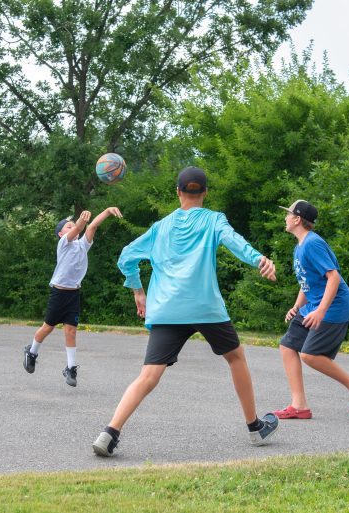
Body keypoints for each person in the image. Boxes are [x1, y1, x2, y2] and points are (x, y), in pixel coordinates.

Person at [92, 166, 279, 457]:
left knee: (148, 376)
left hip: (167, 309)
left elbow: (127, 256)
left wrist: (138, 291)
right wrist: (259, 260)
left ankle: (109, 433)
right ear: (205, 192)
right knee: (235, 357)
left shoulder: (160, 228)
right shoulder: (214, 220)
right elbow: (234, 241)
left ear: (177, 192)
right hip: (205, 307)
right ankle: (255, 428)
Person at [273, 200, 349, 420]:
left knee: (310, 355)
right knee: (287, 347)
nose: (285, 218)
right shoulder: (300, 246)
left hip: (334, 305)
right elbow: (307, 282)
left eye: (288, 214)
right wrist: (297, 306)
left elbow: (333, 277)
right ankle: (299, 406)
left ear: (297, 219)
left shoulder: (312, 244)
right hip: (313, 305)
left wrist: (322, 310)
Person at [22, 207, 123, 387]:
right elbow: (79, 228)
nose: (72, 229)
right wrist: (79, 223)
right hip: (58, 293)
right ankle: (32, 352)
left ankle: (70, 368)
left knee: (71, 331)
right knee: (48, 327)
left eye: (72, 226)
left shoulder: (82, 245)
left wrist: (107, 212)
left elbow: (91, 227)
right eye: (68, 227)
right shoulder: (64, 244)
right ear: (61, 234)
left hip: (73, 294)